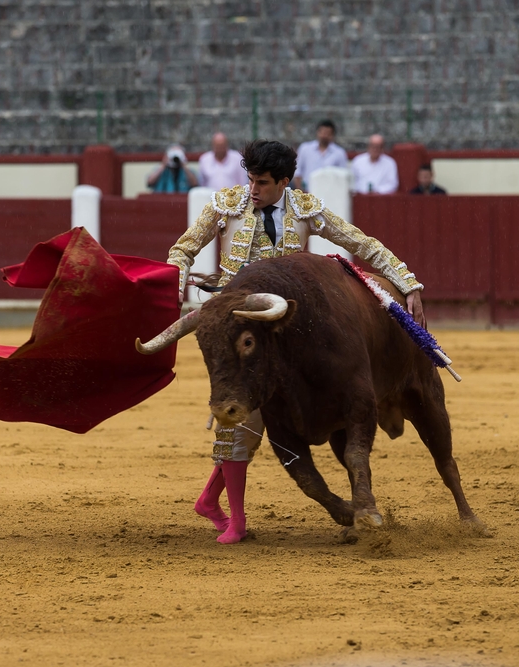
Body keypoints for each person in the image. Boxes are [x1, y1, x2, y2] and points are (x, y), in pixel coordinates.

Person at [167, 139, 425, 544]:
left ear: (284, 181)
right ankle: (234, 519)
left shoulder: (305, 208)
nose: (253, 188)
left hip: (293, 333)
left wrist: (407, 283)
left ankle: (210, 501)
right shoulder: (225, 203)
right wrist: (175, 282)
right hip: (240, 331)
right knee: (241, 418)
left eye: (263, 182)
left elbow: (360, 243)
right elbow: (182, 250)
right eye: (250, 179)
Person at [293, 120, 348, 190]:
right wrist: (300, 191)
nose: (324, 136)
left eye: (328, 133)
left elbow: (342, 176)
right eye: (322, 132)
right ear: (317, 132)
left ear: (332, 135)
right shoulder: (305, 148)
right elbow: (298, 171)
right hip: (308, 192)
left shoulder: (339, 153)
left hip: (331, 192)